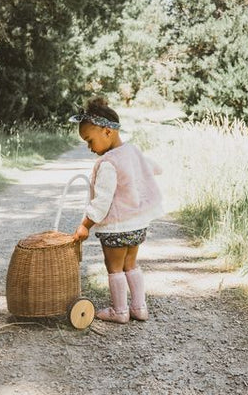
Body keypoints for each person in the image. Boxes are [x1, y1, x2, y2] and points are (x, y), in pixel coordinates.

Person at [69, 97, 163, 324]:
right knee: (131, 264)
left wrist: (85, 225)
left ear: (107, 132)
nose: (90, 148)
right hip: (138, 225)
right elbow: (154, 168)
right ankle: (139, 308)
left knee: (114, 268)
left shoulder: (109, 163)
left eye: (90, 140)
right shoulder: (133, 152)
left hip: (116, 227)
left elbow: (102, 202)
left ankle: (120, 311)